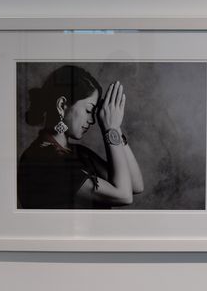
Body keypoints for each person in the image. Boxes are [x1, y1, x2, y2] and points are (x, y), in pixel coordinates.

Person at [18, 65, 144, 209]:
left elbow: (135, 185)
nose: (92, 120)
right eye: (89, 110)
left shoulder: (79, 153)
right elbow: (123, 195)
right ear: (62, 105)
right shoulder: (43, 159)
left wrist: (115, 127)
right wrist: (111, 129)